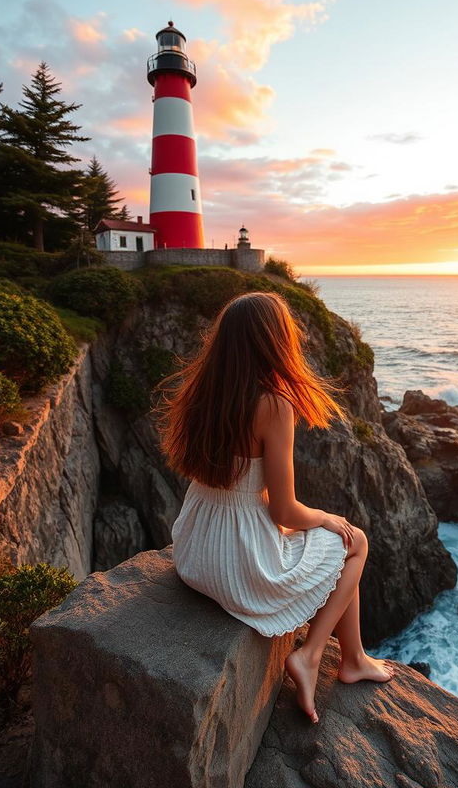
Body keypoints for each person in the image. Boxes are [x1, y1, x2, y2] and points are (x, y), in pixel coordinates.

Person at [156, 291, 396, 723]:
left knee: (333, 551)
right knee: (353, 540)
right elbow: (284, 512)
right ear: (274, 341)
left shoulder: (201, 393)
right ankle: (312, 655)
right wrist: (325, 517)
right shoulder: (272, 403)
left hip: (194, 554)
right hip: (239, 567)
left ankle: (355, 656)